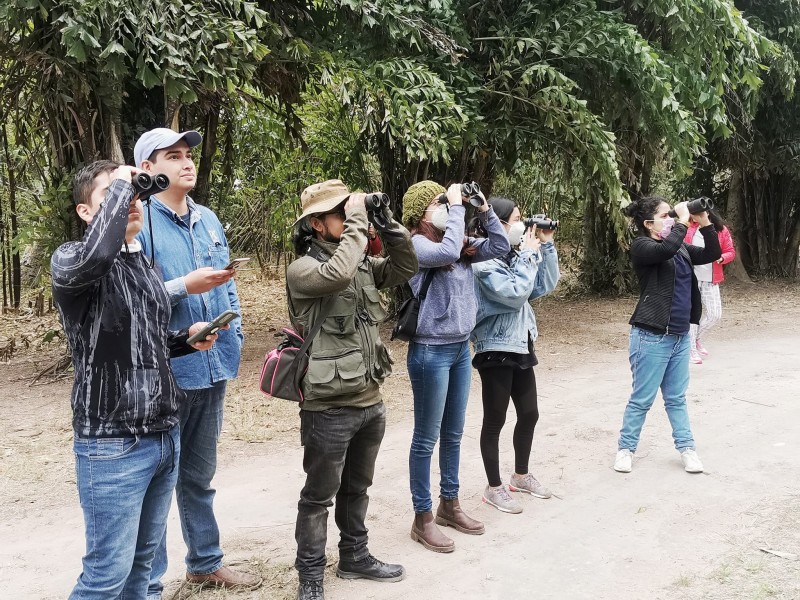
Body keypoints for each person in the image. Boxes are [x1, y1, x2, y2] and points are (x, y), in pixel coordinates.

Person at [52, 161, 220, 599]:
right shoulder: (70, 260)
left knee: (142, 574)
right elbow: (96, 257)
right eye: (111, 195)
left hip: (163, 434)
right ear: (86, 212)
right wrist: (126, 184)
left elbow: (141, 340)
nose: (129, 203)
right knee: (105, 576)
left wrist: (184, 341)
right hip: (112, 443)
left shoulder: (141, 265)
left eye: (132, 195)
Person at [133, 128, 261, 594]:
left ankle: (205, 561)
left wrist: (237, 334)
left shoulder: (209, 220)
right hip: (166, 371)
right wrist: (184, 285)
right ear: (147, 170)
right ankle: (148, 581)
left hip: (214, 366)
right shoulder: (137, 223)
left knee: (199, 475)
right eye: (173, 156)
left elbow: (227, 286)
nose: (187, 163)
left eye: (188, 155)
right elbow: (132, 302)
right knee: (157, 480)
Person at [287, 180, 417, 600]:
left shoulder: (359, 261)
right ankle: (309, 576)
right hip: (328, 406)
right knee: (318, 496)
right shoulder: (304, 270)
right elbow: (338, 271)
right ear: (317, 225)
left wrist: (387, 223)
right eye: (340, 212)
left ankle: (354, 556)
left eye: (348, 209)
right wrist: (359, 222)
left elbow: (404, 268)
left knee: (357, 488)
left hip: (368, 397)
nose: (348, 217)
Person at [401, 180, 510, 553]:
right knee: (426, 437)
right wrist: (457, 209)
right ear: (421, 212)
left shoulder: (459, 241)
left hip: (461, 348)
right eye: (439, 203)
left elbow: (500, 245)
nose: (447, 207)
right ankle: (423, 517)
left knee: (453, 433)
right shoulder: (416, 244)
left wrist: (482, 208)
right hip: (430, 351)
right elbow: (447, 252)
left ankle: (450, 504)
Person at [614, 197, 721, 475]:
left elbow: (711, 254)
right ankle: (626, 449)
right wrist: (683, 223)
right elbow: (668, 248)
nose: (671, 219)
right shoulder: (643, 247)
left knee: (676, 398)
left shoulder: (680, 248)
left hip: (679, 335)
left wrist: (705, 221)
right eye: (665, 215)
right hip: (651, 335)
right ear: (649, 224)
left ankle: (687, 449)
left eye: (671, 215)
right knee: (642, 399)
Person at [470, 197, 560, 514]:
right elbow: (513, 295)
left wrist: (545, 247)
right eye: (516, 219)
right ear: (496, 222)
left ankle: (520, 475)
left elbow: (541, 287)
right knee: (495, 419)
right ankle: (493, 487)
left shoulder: (513, 256)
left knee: (530, 413)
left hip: (521, 341)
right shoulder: (483, 260)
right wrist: (526, 255)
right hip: (494, 345)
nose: (521, 225)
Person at [683, 210, 736, 363]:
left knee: (715, 315)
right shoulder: (687, 228)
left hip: (711, 279)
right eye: (693, 213)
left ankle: (696, 338)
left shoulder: (721, 230)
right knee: (692, 316)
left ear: (708, 213)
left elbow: (730, 252)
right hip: (691, 278)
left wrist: (722, 258)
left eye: (700, 212)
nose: (696, 216)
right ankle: (691, 349)